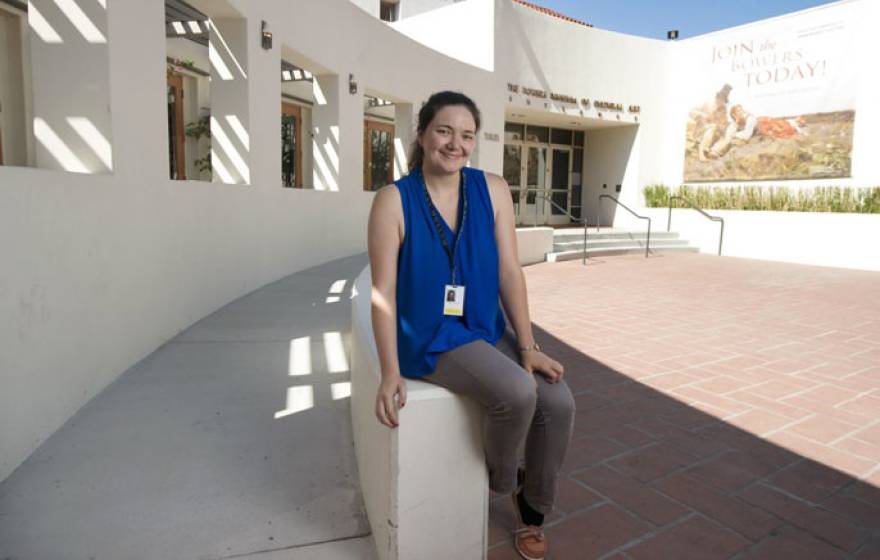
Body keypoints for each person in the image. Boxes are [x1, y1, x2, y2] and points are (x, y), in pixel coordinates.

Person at [367, 91, 575, 560]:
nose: (455, 144)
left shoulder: (493, 189)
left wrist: (528, 345)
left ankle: (534, 508)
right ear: (422, 134)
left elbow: (507, 271)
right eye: (444, 131)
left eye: (466, 135)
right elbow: (383, 292)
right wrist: (388, 370)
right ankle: (504, 482)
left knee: (558, 401)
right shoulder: (392, 201)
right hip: (430, 336)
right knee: (518, 394)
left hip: (483, 326)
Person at [688, 84, 732, 161]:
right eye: (721, 97)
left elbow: (723, 123)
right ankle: (702, 153)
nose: (722, 100)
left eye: (724, 98)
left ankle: (713, 151)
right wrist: (703, 115)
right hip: (701, 130)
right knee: (712, 127)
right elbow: (691, 112)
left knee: (725, 132)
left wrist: (723, 124)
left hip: (714, 134)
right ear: (718, 96)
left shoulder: (723, 108)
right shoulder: (707, 102)